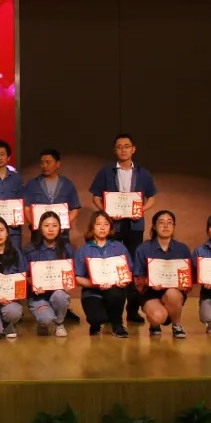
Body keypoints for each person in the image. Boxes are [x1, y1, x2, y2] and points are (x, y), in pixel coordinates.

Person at [89, 133, 157, 324]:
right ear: (114, 150)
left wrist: (141, 210)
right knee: (111, 265)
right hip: (113, 226)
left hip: (135, 226)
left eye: (127, 146)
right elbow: (95, 196)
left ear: (133, 149)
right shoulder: (106, 172)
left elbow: (152, 198)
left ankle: (132, 311)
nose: (123, 150)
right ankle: (111, 311)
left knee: (134, 267)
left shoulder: (143, 173)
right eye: (119, 146)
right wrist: (107, 213)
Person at [73, 210, 133, 338]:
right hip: (92, 290)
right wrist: (94, 284)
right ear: (92, 227)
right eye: (98, 224)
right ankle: (95, 324)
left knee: (116, 293)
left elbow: (129, 271)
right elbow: (78, 278)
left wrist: (124, 281)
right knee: (97, 318)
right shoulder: (84, 249)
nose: (102, 227)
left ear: (110, 227)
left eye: (106, 224)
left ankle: (117, 324)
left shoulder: (119, 247)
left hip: (114, 288)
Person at [133, 209, 192, 339]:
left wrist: (183, 285)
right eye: (161, 222)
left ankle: (176, 325)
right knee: (158, 316)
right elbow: (137, 278)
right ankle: (155, 324)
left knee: (172, 294)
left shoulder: (183, 249)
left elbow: (188, 278)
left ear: (174, 226)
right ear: (154, 226)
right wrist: (150, 282)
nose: (166, 226)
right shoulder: (143, 248)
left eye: (169, 222)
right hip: (150, 292)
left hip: (174, 291)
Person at [24, 210, 75, 337]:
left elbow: (73, 273)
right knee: (46, 320)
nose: (51, 229)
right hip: (38, 296)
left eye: (54, 225)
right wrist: (34, 284)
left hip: (58, 292)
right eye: (46, 226)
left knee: (60, 295)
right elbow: (24, 276)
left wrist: (68, 282)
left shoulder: (67, 248)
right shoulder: (30, 250)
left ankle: (59, 323)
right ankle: (43, 322)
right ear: (40, 228)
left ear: (60, 228)